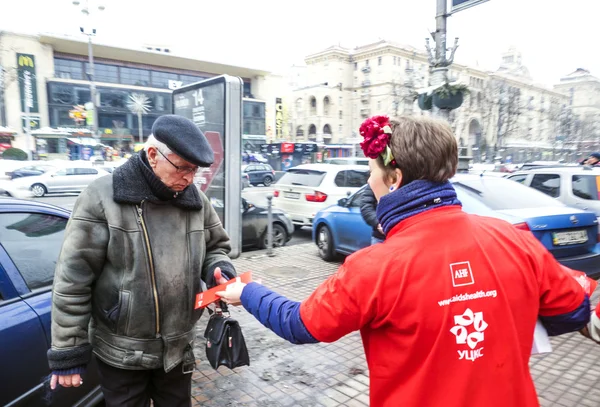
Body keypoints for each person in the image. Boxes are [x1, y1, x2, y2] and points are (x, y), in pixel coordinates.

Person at [217, 115, 590, 407]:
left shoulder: (374, 267)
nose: (369, 184)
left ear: (394, 179)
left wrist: (247, 292)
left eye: (371, 175)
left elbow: (302, 325)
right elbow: (573, 312)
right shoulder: (512, 238)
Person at [47, 115, 236, 407]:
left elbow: (217, 247)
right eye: (182, 167)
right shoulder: (102, 197)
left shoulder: (195, 200)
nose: (189, 178)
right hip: (121, 354)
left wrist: (218, 270)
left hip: (177, 349)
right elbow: (73, 279)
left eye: (194, 170)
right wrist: (68, 350)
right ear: (152, 155)